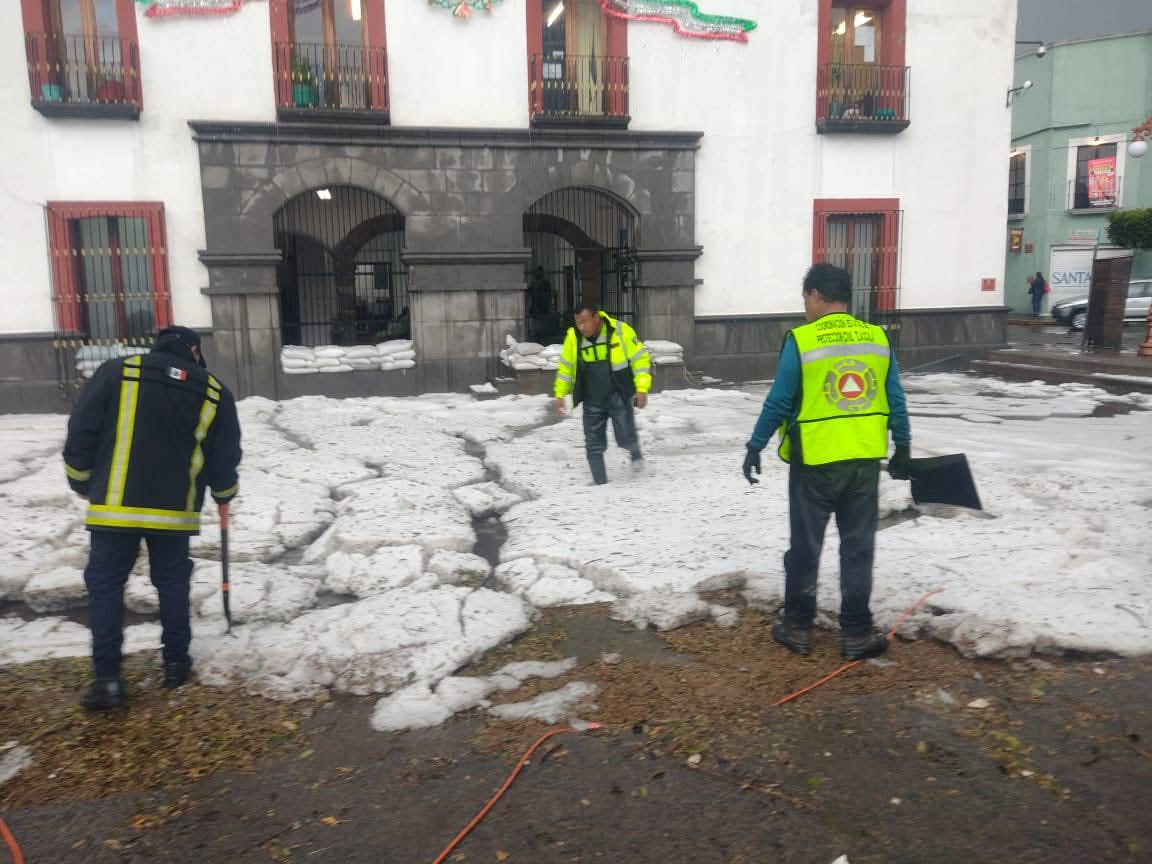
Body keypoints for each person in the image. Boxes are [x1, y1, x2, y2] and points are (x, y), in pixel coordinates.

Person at [63, 326, 242, 710]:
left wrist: (80, 480)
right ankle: (176, 664)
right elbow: (224, 454)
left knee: (106, 585)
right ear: (193, 351)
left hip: (115, 507)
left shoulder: (117, 372)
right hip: (174, 512)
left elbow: (82, 429)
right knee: (172, 583)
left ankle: (108, 680)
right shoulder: (213, 391)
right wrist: (224, 494)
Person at [742, 264, 912, 660]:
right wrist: (903, 444)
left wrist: (755, 445)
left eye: (806, 298)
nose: (805, 306)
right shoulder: (877, 338)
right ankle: (856, 634)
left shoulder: (802, 340)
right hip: (863, 462)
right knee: (858, 549)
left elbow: (779, 400)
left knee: (805, 547)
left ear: (816, 295)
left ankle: (797, 628)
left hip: (815, 462)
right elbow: (895, 397)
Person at [553, 305, 652, 485]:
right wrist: (559, 394)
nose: (581, 327)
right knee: (593, 445)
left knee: (625, 437)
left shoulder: (620, 331)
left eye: (585, 322)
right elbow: (565, 369)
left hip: (618, 395)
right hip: (592, 399)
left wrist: (642, 388)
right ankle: (600, 483)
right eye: (578, 323)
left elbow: (640, 360)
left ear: (596, 317)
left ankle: (635, 452)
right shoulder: (573, 338)